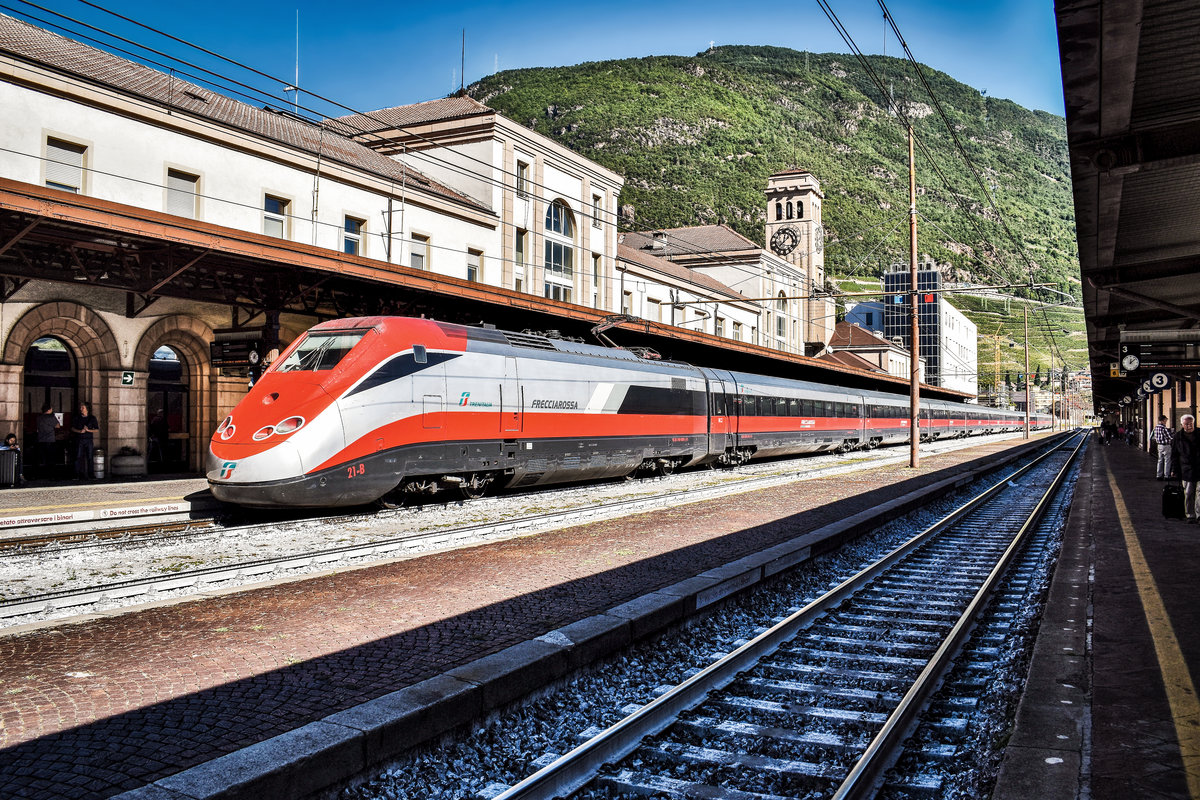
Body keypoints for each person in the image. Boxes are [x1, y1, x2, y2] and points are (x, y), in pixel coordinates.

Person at [1172, 414, 1200, 523]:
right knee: (1188, 493)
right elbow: (1174, 455)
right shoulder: (1178, 437)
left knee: (1199, 492)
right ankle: (1190, 515)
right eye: (1186, 424)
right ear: (1182, 425)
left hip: (1199, 467)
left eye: (1191, 423)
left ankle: (1199, 515)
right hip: (1186, 469)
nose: (1189, 426)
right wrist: (1174, 469)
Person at [71, 401, 99, 480]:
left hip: (88, 440)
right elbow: (72, 428)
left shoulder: (92, 418)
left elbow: (96, 430)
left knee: (90, 457)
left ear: (87, 409)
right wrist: (79, 431)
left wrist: (88, 430)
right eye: (80, 407)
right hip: (79, 440)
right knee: (78, 457)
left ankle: (91, 474)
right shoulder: (77, 417)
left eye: (82, 407)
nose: (81, 409)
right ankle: (77, 474)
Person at [36, 403, 59, 478]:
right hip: (50, 440)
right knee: (51, 459)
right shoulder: (51, 418)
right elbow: (57, 425)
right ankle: (51, 475)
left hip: (40, 440)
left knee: (42, 458)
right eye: (51, 409)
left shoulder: (39, 418)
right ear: (49, 410)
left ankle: (40, 474)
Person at [1152, 415, 1174, 480]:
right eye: (1166, 420)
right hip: (1166, 445)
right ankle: (1166, 475)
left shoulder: (1156, 427)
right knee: (1167, 460)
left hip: (1159, 445)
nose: (1166, 421)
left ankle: (1158, 475)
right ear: (1163, 420)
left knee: (1160, 460)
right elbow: (1170, 437)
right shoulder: (1164, 428)